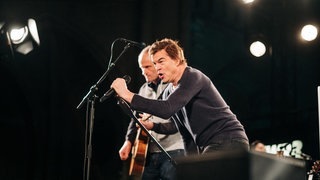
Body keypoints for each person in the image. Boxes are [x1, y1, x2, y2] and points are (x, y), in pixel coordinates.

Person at [112, 38, 249, 154]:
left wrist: (127, 94)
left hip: (228, 139)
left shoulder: (192, 76)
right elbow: (183, 131)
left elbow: (166, 109)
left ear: (177, 60)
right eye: (154, 63)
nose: (157, 67)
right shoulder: (168, 92)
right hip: (209, 145)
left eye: (161, 61)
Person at [118, 45, 185, 180]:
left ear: (157, 64)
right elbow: (135, 118)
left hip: (174, 151)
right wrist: (128, 141)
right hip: (149, 152)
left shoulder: (174, 86)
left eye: (147, 67)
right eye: (141, 68)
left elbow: (179, 124)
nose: (144, 72)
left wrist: (153, 126)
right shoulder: (143, 89)